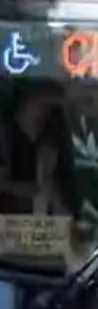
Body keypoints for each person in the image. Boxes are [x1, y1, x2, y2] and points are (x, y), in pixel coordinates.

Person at [0, 82, 75, 216]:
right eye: (42, 105)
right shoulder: (7, 137)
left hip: (41, 224)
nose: (44, 112)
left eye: (50, 109)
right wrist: (31, 189)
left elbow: (59, 206)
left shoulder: (51, 142)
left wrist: (47, 182)